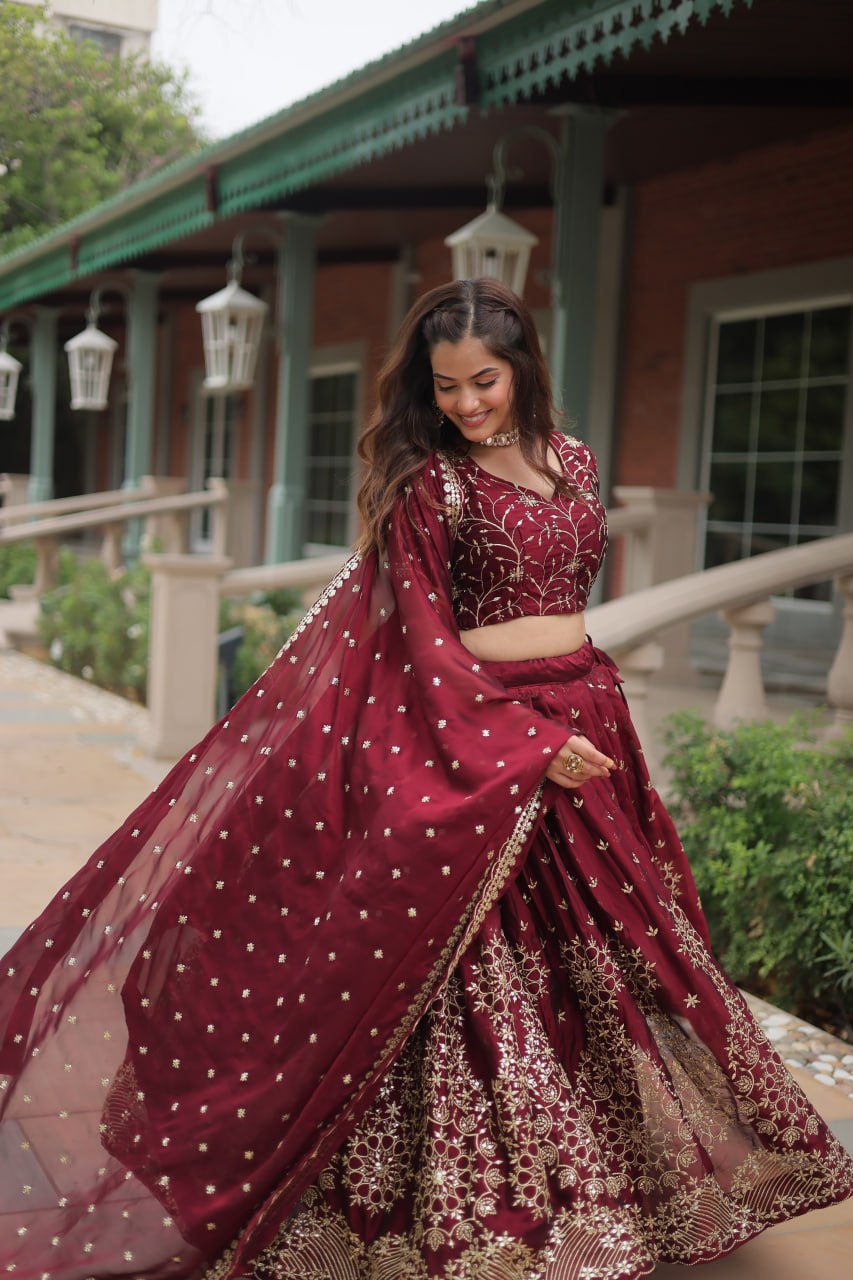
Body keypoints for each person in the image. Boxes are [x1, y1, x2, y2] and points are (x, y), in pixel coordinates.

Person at [0, 278, 850, 1280]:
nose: (466, 404)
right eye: (445, 387)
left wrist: (573, 727)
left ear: (523, 365)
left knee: (605, 958)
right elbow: (420, 642)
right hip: (486, 739)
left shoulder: (572, 462)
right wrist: (526, 744)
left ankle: (616, 1194)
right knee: (471, 977)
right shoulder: (429, 485)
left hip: (588, 715)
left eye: (483, 381)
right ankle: (471, 1213)